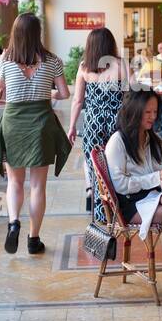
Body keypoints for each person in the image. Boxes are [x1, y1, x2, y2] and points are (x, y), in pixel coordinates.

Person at [0, 12, 71, 255]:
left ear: (15, 34)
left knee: (15, 182)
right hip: (41, 123)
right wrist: (50, 93)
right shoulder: (52, 60)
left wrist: (3, 67)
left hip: (13, 122)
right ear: (38, 33)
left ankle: (13, 222)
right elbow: (65, 93)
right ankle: (33, 239)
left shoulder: (6, 60)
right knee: (38, 186)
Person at [102, 90, 162, 292]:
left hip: (151, 196)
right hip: (128, 202)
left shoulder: (151, 139)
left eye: (155, 111)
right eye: (147, 112)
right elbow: (120, 185)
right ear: (134, 112)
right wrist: (158, 177)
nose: (153, 116)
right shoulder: (118, 141)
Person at [67, 27, 126, 218]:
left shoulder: (84, 67)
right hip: (117, 123)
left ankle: (101, 212)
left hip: (93, 123)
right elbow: (132, 96)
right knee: (116, 164)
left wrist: (72, 127)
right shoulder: (120, 65)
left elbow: (77, 101)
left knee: (94, 165)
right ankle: (120, 208)